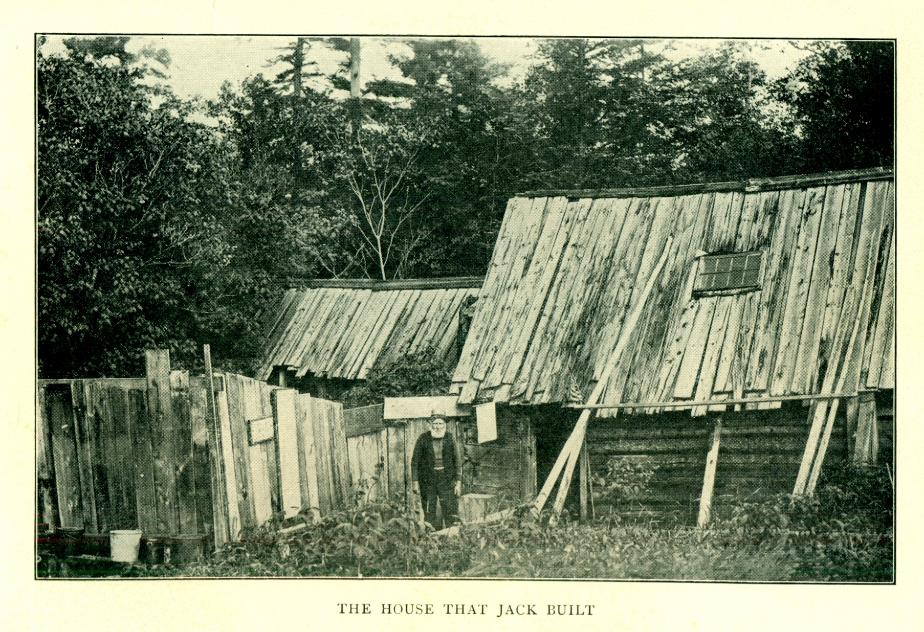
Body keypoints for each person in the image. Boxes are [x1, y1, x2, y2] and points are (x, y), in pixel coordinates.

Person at [411, 415, 461, 529]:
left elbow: (457, 461)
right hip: (428, 480)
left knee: (450, 510)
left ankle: (452, 538)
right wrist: (415, 482)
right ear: (430, 424)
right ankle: (431, 538)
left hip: (447, 479)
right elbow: (415, 462)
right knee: (429, 509)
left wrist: (458, 482)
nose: (438, 427)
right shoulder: (423, 438)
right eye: (435, 423)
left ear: (445, 425)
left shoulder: (450, 438)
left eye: (440, 424)